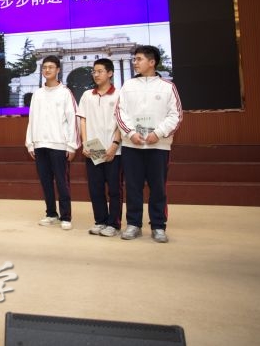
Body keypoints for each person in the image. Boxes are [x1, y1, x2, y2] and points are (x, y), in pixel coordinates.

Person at [115, 45, 182, 243]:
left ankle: (158, 226)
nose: (135, 62)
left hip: (158, 146)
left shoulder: (167, 87)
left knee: (158, 188)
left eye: (139, 59)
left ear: (152, 62)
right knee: (133, 187)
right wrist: (131, 133)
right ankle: (133, 224)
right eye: (134, 59)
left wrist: (158, 133)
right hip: (132, 145)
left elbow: (176, 115)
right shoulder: (128, 85)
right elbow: (120, 113)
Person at [25, 55, 80, 230]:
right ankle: (51, 213)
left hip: (59, 144)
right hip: (39, 144)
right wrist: (30, 143)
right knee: (46, 181)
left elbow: (73, 120)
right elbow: (32, 119)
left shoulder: (65, 93)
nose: (47, 70)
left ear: (58, 70)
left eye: (51, 67)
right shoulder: (38, 94)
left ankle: (66, 216)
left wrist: (72, 145)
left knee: (62, 182)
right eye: (44, 67)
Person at [77, 58, 123, 238]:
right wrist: (85, 143)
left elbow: (121, 122)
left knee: (114, 189)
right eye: (94, 71)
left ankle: (113, 224)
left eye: (100, 71)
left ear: (110, 73)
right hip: (94, 148)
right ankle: (100, 221)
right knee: (96, 188)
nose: (96, 74)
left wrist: (115, 145)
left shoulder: (119, 95)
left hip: (113, 149)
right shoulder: (87, 95)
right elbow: (83, 120)